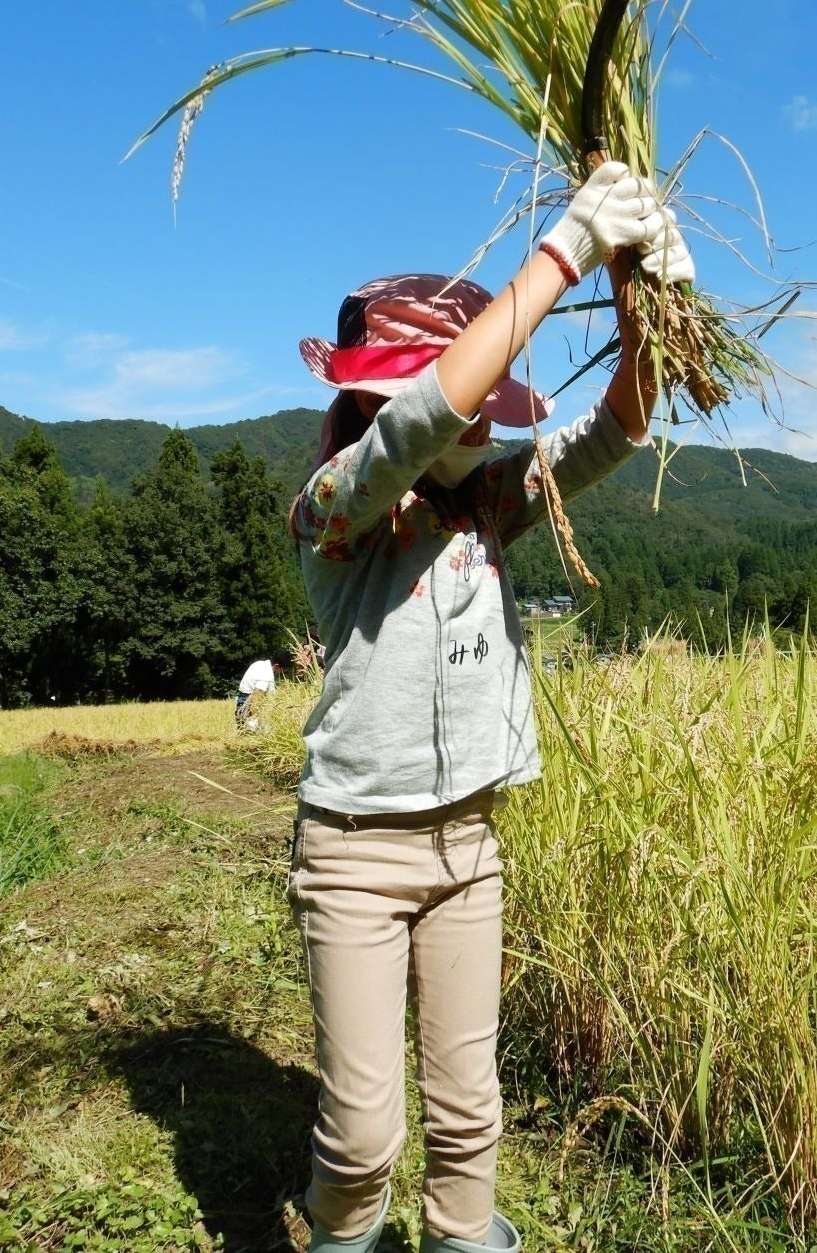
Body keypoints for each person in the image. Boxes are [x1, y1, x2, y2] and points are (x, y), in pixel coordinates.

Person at [286, 162, 690, 1253]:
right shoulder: (335, 508)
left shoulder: (489, 505)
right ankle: (340, 1234)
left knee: (468, 1117)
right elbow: (424, 421)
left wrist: (640, 289)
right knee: (361, 1139)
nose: (480, 422)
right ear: (370, 402)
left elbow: (618, 426)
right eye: (469, 400)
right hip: (355, 855)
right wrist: (562, 250)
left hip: (469, 847)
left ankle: (465, 1238)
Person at [235, 653, 285, 727]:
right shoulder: (267, 674)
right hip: (249, 705)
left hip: (241, 699)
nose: (282, 672)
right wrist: (254, 718)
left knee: (241, 729)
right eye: (282, 669)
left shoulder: (259, 663)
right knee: (250, 730)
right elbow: (255, 697)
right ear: (277, 666)